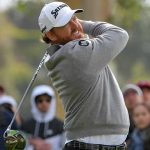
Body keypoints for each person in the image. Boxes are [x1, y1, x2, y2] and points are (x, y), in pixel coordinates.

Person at [38, 2, 129, 150]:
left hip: (97, 144)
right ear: (51, 34)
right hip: (88, 145)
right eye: (65, 23)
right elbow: (119, 34)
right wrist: (84, 24)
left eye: (74, 19)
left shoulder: (67, 53)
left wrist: (73, 25)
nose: (75, 25)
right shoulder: (76, 54)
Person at [21, 85, 64, 150]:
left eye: (48, 100)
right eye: (40, 100)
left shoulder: (61, 126)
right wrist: (33, 146)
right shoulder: (25, 126)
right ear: (34, 102)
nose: (44, 103)